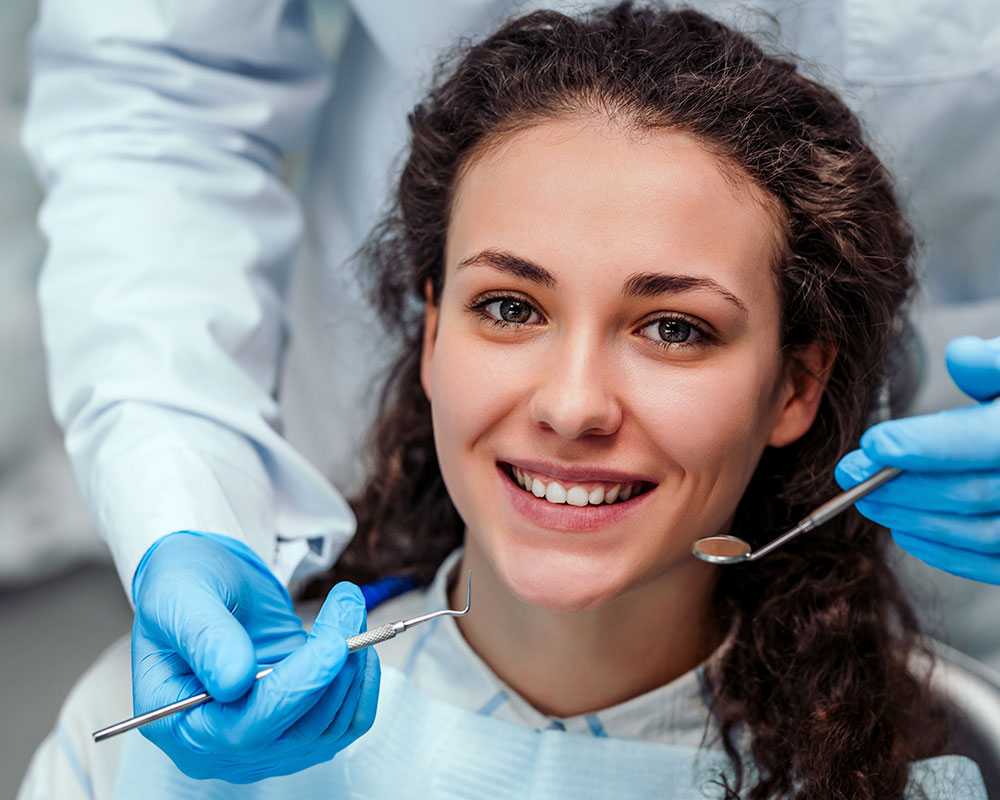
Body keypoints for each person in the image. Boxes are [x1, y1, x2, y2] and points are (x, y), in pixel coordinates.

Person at [18, 5, 990, 798]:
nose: (572, 406)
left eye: (675, 327)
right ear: (431, 331)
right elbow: (156, 100)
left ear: (796, 383)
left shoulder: (940, 764)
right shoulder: (136, 752)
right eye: (511, 305)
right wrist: (187, 495)